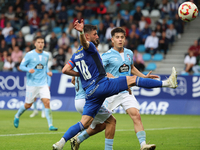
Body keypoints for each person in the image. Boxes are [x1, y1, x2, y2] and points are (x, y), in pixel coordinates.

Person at [52, 20, 177, 150]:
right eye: (95, 34)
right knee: (132, 80)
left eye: (122, 37)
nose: (97, 36)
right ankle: (167, 83)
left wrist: (80, 75)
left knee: (85, 123)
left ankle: (61, 142)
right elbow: (85, 43)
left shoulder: (75, 55)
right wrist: (82, 32)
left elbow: (65, 70)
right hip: (103, 86)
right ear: (88, 37)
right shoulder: (92, 48)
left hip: (90, 93)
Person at [13, 36, 58, 131]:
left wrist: (48, 72)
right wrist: (28, 69)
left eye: (42, 42)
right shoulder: (29, 55)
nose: (41, 44)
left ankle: (50, 125)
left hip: (43, 84)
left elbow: (45, 67)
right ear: (35, 43)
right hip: (32, 84)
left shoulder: (46, 55)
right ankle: (17, 115)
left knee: (47, 102)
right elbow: (21, 66)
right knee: (28, 105)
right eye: (39, 42)